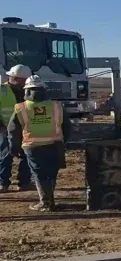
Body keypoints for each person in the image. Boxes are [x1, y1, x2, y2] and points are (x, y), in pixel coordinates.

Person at [9, 75, 71, 211]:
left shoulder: (21, 108)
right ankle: (49, 201)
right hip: (55, 144)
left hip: (32, 146)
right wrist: (64, 142)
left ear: (26, 90)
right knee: (51, 173)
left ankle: (46, 202)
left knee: (39, 174)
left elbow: (13, 130)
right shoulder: (56, 106)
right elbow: (67, 126)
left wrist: (14, 147)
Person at [0, 64, 32, 192]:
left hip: (26, 129)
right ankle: (3, 183)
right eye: (23, 79)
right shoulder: (2, 90)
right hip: (6, 129)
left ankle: (24, 182)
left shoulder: (29, 90)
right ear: (15, 78)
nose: (25, 82)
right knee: (5, 156)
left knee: (27, 156)